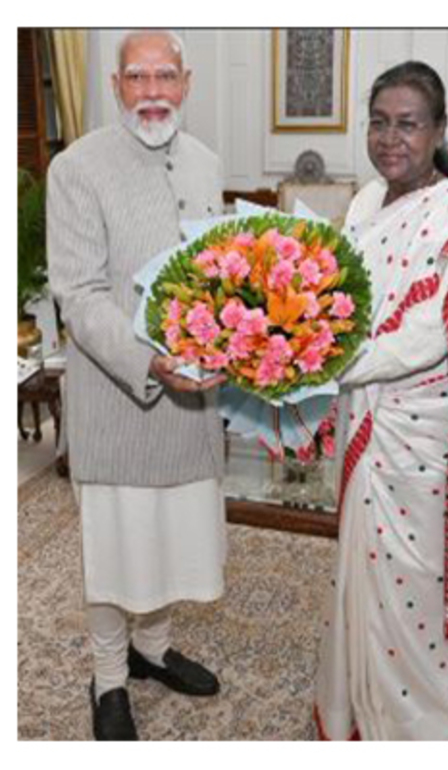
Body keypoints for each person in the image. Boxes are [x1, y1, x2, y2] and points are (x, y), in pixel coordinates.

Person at [313, 61, 448, 741]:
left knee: (415, 580)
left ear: (437, 132)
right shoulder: (365, 202)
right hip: (361, 413)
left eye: (407, 124)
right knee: (361, 571)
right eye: (378, 122)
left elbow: (430, 330)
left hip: (419, 434)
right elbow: (335, 299)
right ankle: (358, 714)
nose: (389, 138)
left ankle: (420, 724)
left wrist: (317, 364)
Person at [47, 30, 228, 741]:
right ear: (117, 85)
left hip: (191, 403)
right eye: (136, 77)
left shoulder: (208, 163)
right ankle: (110, 676)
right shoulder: (77, 168)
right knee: (116, 548)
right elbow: (80, 293)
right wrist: (150, 362)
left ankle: (152, 651)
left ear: (186, 82)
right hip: (119, 392)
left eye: (165, 76)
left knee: (172, 540)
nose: (152, 91)